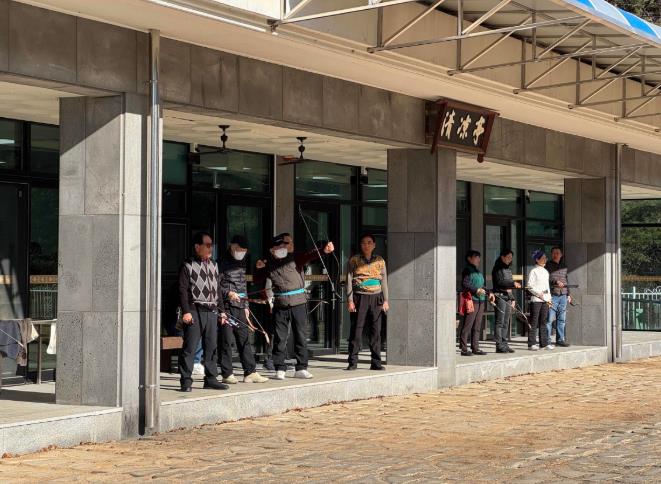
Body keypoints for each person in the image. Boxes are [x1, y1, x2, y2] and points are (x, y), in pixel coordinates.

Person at [254, 233, 335, 380]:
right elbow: (256, 279)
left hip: (298, 302)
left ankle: (301, 368)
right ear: (272, 250)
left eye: (285, 245)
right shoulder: (269, 263)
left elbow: (310, 255)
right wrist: (258, 268)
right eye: (279, 246)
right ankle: (280, 368)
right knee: (280, 337)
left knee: (301, 335)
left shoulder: (295, 257)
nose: (283, 248)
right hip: (280, 304)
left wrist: (324, 250)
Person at [178, 232, 229, 392]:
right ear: (197, 247)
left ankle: (211, 379)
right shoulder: (187, 265)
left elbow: (217, 289)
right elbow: (182, 290)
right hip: (194, 310)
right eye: (207, 245)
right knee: (190, 347)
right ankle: (186, 381)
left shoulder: (214, 264)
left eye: (211, 245)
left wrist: (222, 311)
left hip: (212, 311)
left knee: (211, 346)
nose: (210, 248)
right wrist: (186, 311)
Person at [218, 235, 269, 384]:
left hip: (240, 306)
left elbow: (243, 285)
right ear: (232, 246)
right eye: (240, 249)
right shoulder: (220, 263)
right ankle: (227, 374)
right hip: (226, 307)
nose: (242, 252)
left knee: (244, 339)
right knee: (226, 341)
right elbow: (215, 287)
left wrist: (246, 306)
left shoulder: (242, 262)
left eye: (245, 250)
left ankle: (250, 372)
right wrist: (228, 293)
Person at [346, 234, 389, 371]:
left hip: (377, 297)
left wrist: (386, 300)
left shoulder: (380, 260)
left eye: (369, 242)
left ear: (374, 245)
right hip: (360, 297)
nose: (366, 245)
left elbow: (384, 281)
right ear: (360, 245)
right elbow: (349, 280)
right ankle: (352, 362)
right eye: (364, 243)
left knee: (376, 331)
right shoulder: (354, 260)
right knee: (356, 330)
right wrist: (350, 300)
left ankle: (376, 363)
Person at [459, 250, 491, 356]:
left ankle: (475, 347)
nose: (479, 259)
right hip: (472, 300)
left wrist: (489, 292)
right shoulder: (467, 270)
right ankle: (464, 348)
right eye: (476, 257)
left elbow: (481, 285)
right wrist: (476, 290)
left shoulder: (478, 272)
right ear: (469, 258)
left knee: (477, 326)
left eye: (479, 257)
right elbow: (465, 283)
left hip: (481, 301)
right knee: (468, 324)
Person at [491, 249, 521, 354]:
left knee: (506, 322)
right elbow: (501, 282)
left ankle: (504, 344)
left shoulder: (508, 269)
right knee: (499, 322)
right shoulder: (497, 268)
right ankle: (499, 345)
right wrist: (513, 283)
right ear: (502, 257)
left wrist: (512, 298)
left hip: (507, 297)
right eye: (508, 257)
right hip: (500, 296)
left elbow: (509, 288)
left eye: (511, 257)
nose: (510, 259)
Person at [527, 250, 554, 351]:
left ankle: (544, 343)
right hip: (536, 300)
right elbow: (529, 286)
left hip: (545, 300)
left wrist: (549, 298)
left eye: (545, 258)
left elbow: (547, 287)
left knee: (543, 321)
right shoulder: (533, 271)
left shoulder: (546, 271)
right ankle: (532, 343)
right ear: (537, 260)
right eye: (543, 258)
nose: (545, 260)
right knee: (534, 322)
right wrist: (538, 293)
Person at [546, 246, 571, 347]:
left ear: (561, 255)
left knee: (562, 319)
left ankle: (560, 340)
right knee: (549, 319)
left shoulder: (564, 266)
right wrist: (556, 281)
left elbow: (566, 280)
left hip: (563, 295)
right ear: (551, 254)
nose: (555, 255)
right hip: (553, 295)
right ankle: (547, 341)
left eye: (557, 253)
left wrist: (568, 294)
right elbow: (547, 278)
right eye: (553, 253)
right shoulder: (547, 265)